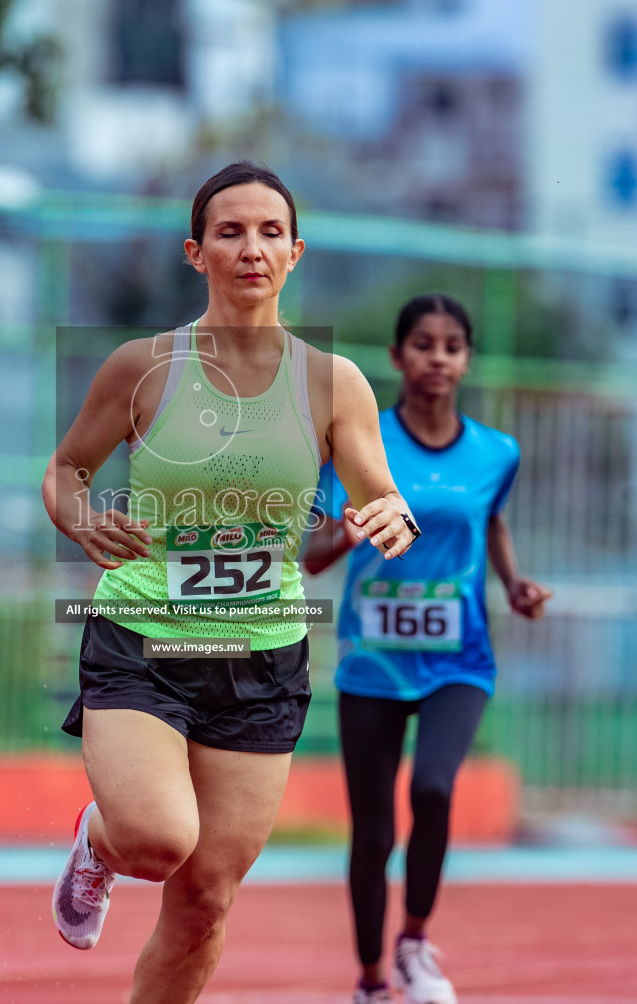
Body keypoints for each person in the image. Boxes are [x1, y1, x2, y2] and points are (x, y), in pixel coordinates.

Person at [41, 161, 420, 1003]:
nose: (252, 248)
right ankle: (99, 845)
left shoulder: (334, 382)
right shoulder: (144, 368)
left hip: (262, 656)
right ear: (195, 251)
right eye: (231, 231)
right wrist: (79, 516)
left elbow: (376, 490)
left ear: (295, 253)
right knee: (156, 838)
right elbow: (67, 468)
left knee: (206, 899)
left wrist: (391, 516)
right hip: (144, 638)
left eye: (270, 232)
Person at [303, 294, 550, 1004]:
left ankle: (413, 942)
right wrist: (346, 532)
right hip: (372, 659)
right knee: (374, 831)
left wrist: (514, 585)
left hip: (458, 657)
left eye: (451, 345)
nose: (437, 357)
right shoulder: (357, 439)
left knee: (435, 790)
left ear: (467, 359)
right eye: (422, 344)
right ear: (396, 356)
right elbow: (313, 554)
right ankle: (372, 980)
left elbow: (492, 522)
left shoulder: (498, 453)